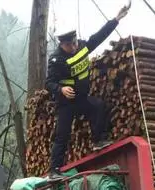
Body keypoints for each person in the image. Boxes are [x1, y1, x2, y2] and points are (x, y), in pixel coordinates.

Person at [45, 3, 131, 180]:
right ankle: (54, 170)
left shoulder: (82, 47)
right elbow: (49, 82)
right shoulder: (56, 60)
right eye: (70, 44)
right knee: (62, 136)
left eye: (75, 42)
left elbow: (98, 37)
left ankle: (98, 140)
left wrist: (116, 20)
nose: (75, 46)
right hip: (66, 104)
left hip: (82, 99)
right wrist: (61, 89)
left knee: (98, 106)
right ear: (62, 44)